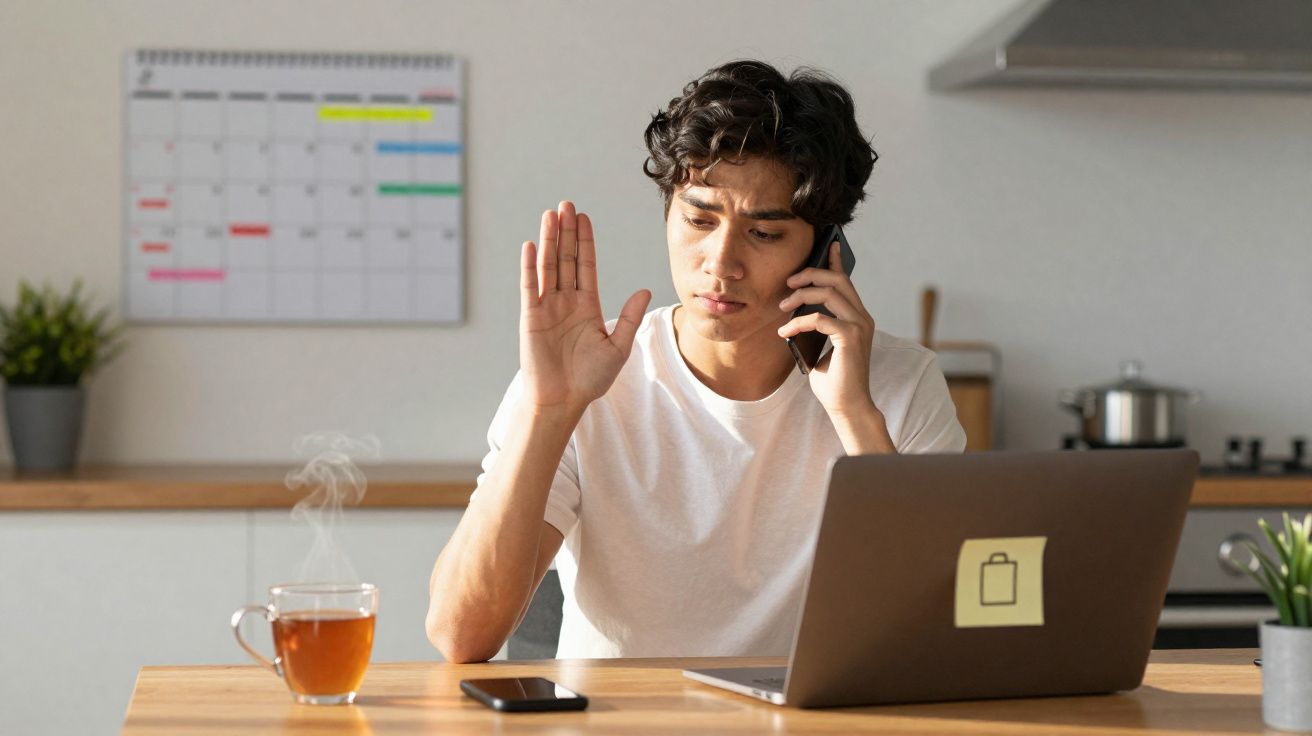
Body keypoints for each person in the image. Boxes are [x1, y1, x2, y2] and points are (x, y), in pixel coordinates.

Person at [426, 59, 965, 663]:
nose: (720, 261)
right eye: (699, 219)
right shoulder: (585, 375)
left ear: (824, 249)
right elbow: (461, 636)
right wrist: (549, 410)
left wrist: (856, 417)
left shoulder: (898, 386)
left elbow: (936, 633)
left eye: (764, 234)